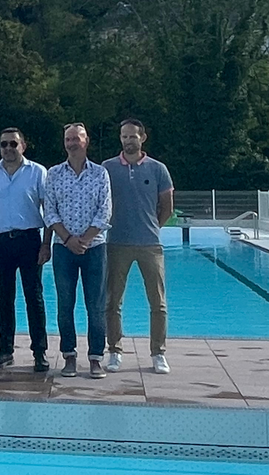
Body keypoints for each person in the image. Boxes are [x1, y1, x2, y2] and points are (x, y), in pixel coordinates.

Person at [0, 128, 51, 372]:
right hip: (1, 242)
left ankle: (39, 351)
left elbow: (49, 210)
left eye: (13, 144)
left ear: (23, 146)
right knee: (4, 298)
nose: (8, 148)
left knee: (34, 297)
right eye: (3, 144)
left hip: (29, 240)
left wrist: (46, 243)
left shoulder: (37, 172)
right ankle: (5, 349)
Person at [103, 118, 174, 375]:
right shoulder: (108, 168)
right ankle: (115, 350)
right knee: (112, 302)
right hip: (116, 243)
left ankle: (158, 353)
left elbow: (167, 206)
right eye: (124, 136)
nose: (128, 140)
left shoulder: (157, 169)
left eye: (132, 136)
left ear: (142, 138)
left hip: (149, 244)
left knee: (158, 303)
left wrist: (153, 227)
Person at [44, 123, 112, 379]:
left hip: (94, 248)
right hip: (63, 249)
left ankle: (95, 358)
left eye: (77, 138)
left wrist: (84, 239)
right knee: (65, 304)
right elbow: (49, 210)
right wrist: (68, 239)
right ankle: (69, 356)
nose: (72, 143)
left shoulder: (100, 174)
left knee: (95, 305)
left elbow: (105, 211)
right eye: (68, 139)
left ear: (86, 141)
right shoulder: (54, 174)